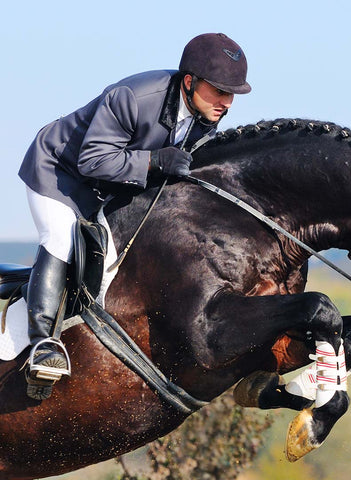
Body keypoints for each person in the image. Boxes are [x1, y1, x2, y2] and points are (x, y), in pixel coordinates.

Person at [18, 32, 251, 400]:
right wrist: (155, 161)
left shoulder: (205, 114)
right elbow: (92, 160)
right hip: (58, 173)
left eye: (232, 94)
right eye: (219, 91)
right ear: (189, 82)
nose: (226, 103)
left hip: (110, 185)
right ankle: (42, 345)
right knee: (61, 238)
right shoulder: (134, 97)